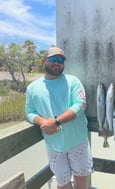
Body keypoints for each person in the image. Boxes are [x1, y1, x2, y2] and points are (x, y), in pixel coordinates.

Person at [25, 46, 94, 189]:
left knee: (81, 177)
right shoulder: (32, 88)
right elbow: (29, 112)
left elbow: (80, 105)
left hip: (78, 141)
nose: (57, 62)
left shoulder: (73, 81)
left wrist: (55, 121)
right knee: (62, 182)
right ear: (44, 60)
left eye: (61, 60)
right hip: (53, 144)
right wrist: (43, 122)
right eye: (53, 59)